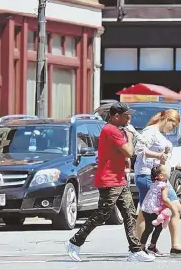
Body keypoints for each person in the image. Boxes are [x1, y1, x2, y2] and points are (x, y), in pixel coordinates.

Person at [66, 102, 155, 262]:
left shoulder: (117, 130)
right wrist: (130, 135)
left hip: (119, 178)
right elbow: (128, 152)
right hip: (109, 180)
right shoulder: (110, 130)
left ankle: (135, 251)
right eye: (126, 115)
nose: (130, 118)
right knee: (102, 214)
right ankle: (74, 242)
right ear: (115, 116)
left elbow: (125, 154)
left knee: (130, 214)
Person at [134, 109, 181, 256]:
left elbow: (163, 157)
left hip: (160, 178)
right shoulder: (150, 131)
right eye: (172, 125)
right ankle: (139, 246)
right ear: (166, 119)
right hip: (148, 175)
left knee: (175, 206)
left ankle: (173, 245)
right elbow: (139, 149)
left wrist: (175, 162)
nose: (172, 129)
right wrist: (159, 155)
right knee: (146, 211)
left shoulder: (160, 134)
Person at [140, 164, 176, 253]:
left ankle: (144, 247)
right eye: (166, 171)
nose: (169, 172)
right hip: (154, 209)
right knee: (155, 227)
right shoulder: (164, 185)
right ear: (161, 175)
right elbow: (164, 199)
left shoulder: (154, 184)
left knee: (150, 228)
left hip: (146, 208)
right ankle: (146, 247)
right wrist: (171, 207)